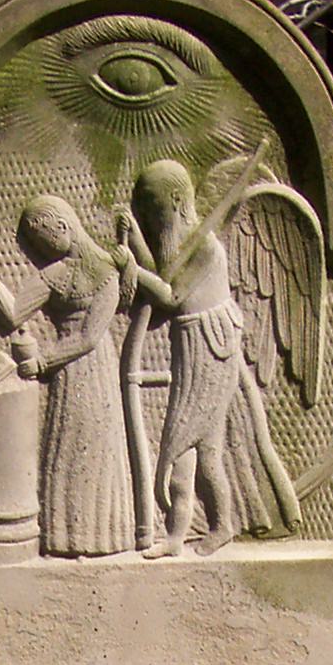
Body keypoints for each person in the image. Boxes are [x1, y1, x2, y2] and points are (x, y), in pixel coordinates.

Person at [0, 196, 135, 559]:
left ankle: (104, 538)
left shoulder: (106, 271)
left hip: (95, 370)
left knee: (98, 449)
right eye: (36, 245)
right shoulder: (56, 273)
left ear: (63, 226)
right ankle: (65, 538)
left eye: (44, 240)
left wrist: (43, 361)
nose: (41, 251)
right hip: (68, 374)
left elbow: (89, 337)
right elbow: (14, 313)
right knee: (66, 447)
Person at [119, 158, 246, 558]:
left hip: (211, 347)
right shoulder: (187, 245)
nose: (150, 219)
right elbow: (164, 274)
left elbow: (170, 296)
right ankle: (182, 535)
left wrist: (131, 267)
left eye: (152, 209)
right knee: (194, 450)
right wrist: (133, 240)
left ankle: (215, 527)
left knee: (190, 445)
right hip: (191, 349)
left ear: (175, 199)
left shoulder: (206, 247)